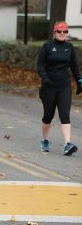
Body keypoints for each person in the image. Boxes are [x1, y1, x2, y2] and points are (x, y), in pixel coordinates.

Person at [37, 21, 82, 156]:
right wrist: (44, 77)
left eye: (65, 32)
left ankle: (67, 144)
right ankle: (45, 140)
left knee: (65, 114)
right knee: (48, 116)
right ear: (54, 33)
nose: (62, 34)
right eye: (59, 31)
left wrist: (79, 81)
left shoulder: (69, 47)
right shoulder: (47, 46)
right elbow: (39, 65)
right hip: (49, 86)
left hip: (64, 86)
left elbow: (74, 66)